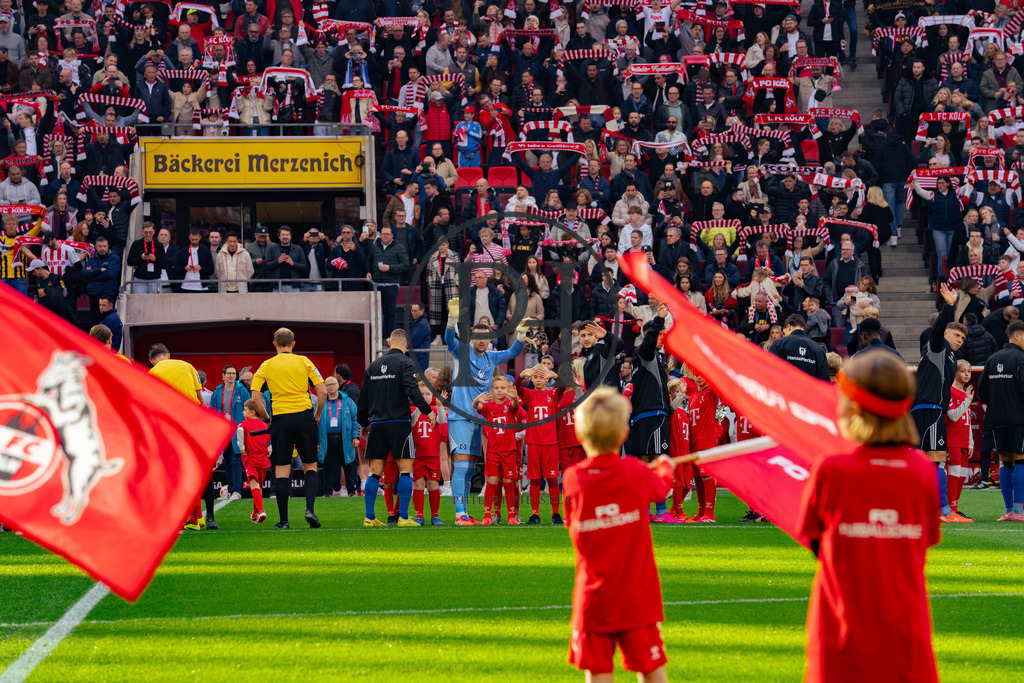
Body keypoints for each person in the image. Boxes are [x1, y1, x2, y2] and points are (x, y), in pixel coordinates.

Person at [798, 351, 940, 683]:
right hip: (906, 631)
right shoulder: (922, 471)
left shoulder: (831, 469)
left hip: (840, 628)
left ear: (853, 405)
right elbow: (924, 543)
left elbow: (816, 543)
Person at [563, 386, 673, 683]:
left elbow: (571, 523)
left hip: (593, 600)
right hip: (636, 599)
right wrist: (665, 467)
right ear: (625, 433)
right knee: (651, 670)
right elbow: (661, 489)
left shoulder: (573, 478)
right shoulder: (635, 471)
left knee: (597, 672)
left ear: (580, 434)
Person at [444, 297, 528, 525]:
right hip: (461, 418)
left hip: (481, 420)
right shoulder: (462, 351)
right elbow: (448, 339)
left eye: (485, 337)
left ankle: (464, 512)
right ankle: (459, 514)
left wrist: (521, 334)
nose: (482, 341)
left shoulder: (492, 357)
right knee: (461, 465)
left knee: (470, 468)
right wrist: (451, 320)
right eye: (478, 337)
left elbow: (513, 352)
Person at [250, 327, 328, 530]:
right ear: (293, 344)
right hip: (304, 417)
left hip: (281, 420)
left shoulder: (267, 365)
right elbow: (322, 392)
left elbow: (255, 399)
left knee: (282, 470)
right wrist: (317, 415)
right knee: (310, 466)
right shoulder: (304, 361)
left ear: (274, 344)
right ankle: (310, 510)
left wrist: (267, 419)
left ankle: (284, 521)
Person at [357, 328, 433, 527]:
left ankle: (369, 517)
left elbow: (363, 397)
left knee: (375, 472)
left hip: (377, 424)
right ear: (406, 345)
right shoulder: (405, 362)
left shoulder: (373, 366)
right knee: (405, 470)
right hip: (399, 423)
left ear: (389, 343)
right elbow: (412, 388)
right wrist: (427, 410)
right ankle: (404, 517)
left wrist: (364, 423)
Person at [910, 284, 968, 523]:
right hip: (930, 409)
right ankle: (943, 511)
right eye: (957, 335)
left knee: (924, 460)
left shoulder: (950, 355)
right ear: (945, 333)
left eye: (963, 338)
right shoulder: (938, 346)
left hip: (927, 410)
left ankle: (920, 508)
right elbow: (936, 331)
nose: (960, 340)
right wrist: (949, 307)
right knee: (937, 458)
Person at [148, 343, 214, 530]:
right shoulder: (187, 366)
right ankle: (207, 516)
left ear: (152, 361)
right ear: (168, 355)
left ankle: (185, 516)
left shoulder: (152, 373)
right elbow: (200, 397)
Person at [628, 304, 683, 524]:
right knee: (659, 463)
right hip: (653, 416)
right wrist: (659, 319)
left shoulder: (652, 359)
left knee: (645, 464)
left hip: (644, 416)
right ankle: (660, 512)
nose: (661, 337)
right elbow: (650, 341)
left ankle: (644, 511)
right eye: (659, 334)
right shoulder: (646, 353)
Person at [977, 320, 1024, 521]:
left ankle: (1008, 510)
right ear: (1016, 335)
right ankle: (1019, 511)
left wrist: (997, 406)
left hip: (998, 419)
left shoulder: (992, 359)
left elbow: (981, 391)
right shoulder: (1021, 358)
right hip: (1020, 419)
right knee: (1021, 460)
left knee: (1005, 461)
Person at [473, 375, 524, 526]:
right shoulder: (488, 407)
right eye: (496, 388)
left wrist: (514, 397)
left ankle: (511, 516)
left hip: (509, 450)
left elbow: (515, 405)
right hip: (493, 451)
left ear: (508, 389)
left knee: (508, 481)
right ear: (492, 390)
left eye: (503, 388)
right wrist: (477, 400)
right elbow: (476, 407)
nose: (500, 390)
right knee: (492, 481)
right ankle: (487, 516)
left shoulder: (510, 404)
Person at [519, 364, 563, 525]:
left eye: (542, 377)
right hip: (533, 442)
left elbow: (563, 387)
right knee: (535, 479)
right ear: (531, 378)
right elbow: (516, 388)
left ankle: (556, 513)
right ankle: (535, 514)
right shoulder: (529, 394)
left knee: (552, 479)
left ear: (547, 379)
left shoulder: (553, 393)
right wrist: (521, 377)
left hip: (550, 442)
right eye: (535, 377)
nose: (538, 380)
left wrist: (556, 376)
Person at [211, 365, 251, 500]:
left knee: (235, 461)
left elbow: (248, 408)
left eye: (233, 373)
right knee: (227, 461)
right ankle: (230, 489)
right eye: (228, 373)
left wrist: (246, 427)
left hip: (237, 429)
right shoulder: (218, 391)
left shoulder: (242, 390)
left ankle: (237, 491)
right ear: (223, 375)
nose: (231, 375)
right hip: (223, 430)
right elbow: (212, 411)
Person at [316, 376, 359, 501]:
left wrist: (355, 437)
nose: (331, 386)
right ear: (325, 387)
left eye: (333, 384)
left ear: (338, 385)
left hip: (345, 439)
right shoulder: (321, 402)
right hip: (327, 439)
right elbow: (315, 419)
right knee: (328, 466)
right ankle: (327, 492)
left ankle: (352, 491)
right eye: (328, 384)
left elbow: (355, 420)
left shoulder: (348, 401)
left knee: (349, 465)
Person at [412, 382, 447, 525]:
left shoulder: (436, 410)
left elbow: (442, 421)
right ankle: (419, 516)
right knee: (418, 485)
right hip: (417, 456)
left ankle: (435, 516)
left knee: (433, 485)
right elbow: (412, 422)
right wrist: (420, 406)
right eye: (421, 394)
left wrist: (439, 405)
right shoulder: (413, 410)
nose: (425, 396)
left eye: (427, 394)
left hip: (432, 455)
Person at [945, 360, 975, 521]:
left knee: (962, 475)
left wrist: (970, 442)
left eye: (969, 371)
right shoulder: (950, 391)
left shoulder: (965, 394)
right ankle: (949, 510)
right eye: (963, 371)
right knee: (954, 473)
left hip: (963, 440)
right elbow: (953, 416)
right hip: (953, 439)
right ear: (955, 373)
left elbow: (967, 420)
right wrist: (967, 401)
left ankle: (954, 509)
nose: (966, 374)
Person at [237, 399, 271, 524]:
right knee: (258, 486)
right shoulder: (265, 424)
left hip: (251, 457)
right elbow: (271, 438)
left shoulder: (244, 424)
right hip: (263, 459)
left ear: (252, 412)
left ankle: (261, 511)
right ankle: (255, 513)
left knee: (253, 483)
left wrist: (241, 448)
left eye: (245, 410)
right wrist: (269, 449)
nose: (243, 412)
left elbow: (240, 431)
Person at [770, 314, 830, 381]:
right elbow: (825, 381)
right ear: (803, 328)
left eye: (784, 333)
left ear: (788, 326)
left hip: (785, 386)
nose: (784, 335)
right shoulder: (818, 349)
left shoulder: (777, 344)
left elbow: (771, 373)